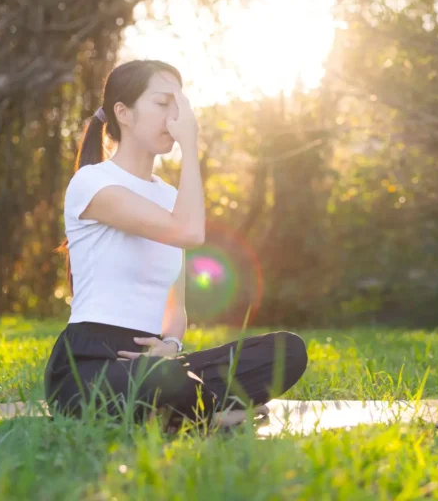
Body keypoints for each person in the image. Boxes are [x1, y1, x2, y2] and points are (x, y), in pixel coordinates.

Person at [44, 60, 308, 430]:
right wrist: (190, 143)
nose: (175, 115)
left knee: (286, 351)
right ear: (124, 113)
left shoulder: (170, 197)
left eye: (179, 104)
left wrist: (171, 343)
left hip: (157, 363)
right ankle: (208, 415)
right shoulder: (93, 183)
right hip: (89, 365)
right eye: (162, 103)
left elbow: (175, 306)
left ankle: (186, 409)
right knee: (168, 382)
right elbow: (188, 232)